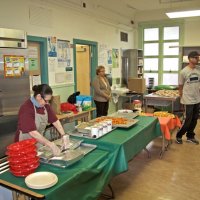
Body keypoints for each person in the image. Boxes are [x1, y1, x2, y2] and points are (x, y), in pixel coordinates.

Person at [15, 84, 66, 155]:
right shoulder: (26, 108)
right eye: (46, 100)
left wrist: (64, 135)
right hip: (24, 144)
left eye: (49, 101)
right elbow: (32, 132)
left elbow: (55, 121)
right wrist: (50, 144)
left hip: (38, 141)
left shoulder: (45, 106)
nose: (47, 103)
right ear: (39, 96)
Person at [176, 51, 200, 145]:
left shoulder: (198, 69)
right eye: (196, 57)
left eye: (198, 57)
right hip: (188, 99)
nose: (198, 59)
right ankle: (179, 135)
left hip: (197, 99)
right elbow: (180, 86)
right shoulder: (183, 72)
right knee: (187, 119)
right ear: (190, 59)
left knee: (195, 119)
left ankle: (190, 136)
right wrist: (182, 97)